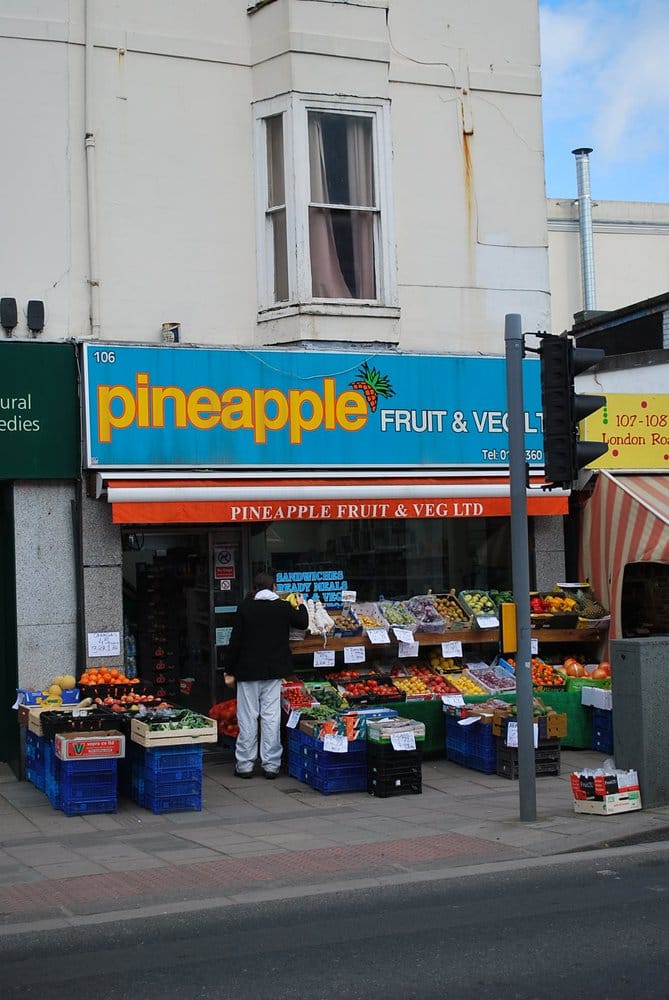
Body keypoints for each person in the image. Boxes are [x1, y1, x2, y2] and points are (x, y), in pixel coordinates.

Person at [223, 569, 308, 779]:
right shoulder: (282, 607)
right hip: (273, 672)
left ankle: (245, 765)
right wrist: (302, 602)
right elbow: (302, 622)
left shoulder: (244, 608)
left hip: (248, 671)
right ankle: (271, 765)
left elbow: (235, 642)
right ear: (274, 588)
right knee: (271, 717)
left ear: (254, 588)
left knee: (247, 717)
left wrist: (229, 669)